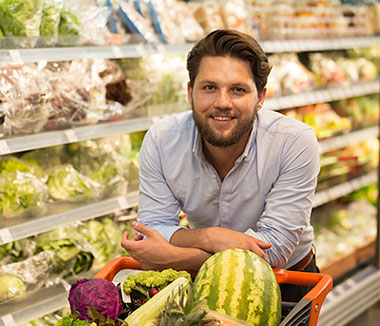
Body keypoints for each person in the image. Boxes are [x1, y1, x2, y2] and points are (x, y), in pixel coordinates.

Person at [121, 29, 321, 303]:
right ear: (190, 92)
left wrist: (176, 256)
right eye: (209, 88)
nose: (222, 103)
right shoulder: (161, 140)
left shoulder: (294, 142)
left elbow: (275, 246)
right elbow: (153, 227)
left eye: (238, 90)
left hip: (285, 281)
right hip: (202, 284)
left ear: (260, 97)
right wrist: (212, 237)